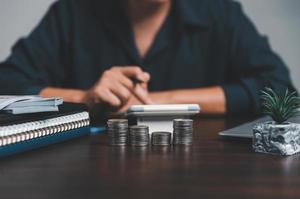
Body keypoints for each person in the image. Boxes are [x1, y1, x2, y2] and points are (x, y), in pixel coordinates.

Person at [0, 0, 296, 116]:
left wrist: (154, 101)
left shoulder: (219, 11)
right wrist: (85, 97)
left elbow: (279, 88)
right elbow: (7, 84)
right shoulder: (71, 11)